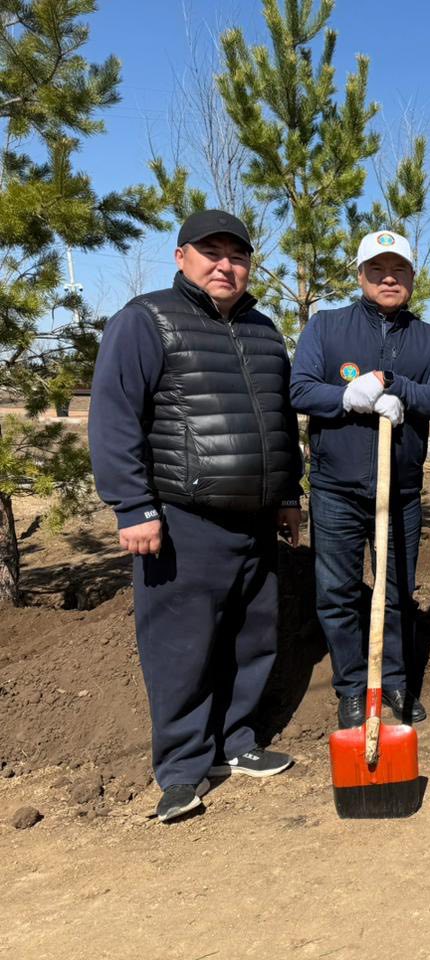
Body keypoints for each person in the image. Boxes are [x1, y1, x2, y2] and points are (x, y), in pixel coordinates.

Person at [88, 210, 303, 823]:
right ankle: (182, 769)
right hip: (183, 520)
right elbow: (115, 416)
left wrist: (288, 495)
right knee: (181, 648)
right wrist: (133, 505)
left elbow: (280, 425)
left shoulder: (263, 331)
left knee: (251, 639)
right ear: (181, 257)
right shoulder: (146, 319)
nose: (225, 265)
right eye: (211, 252)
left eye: (237, 255)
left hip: (256, 519)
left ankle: (237, 744)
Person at [290, 230, 430, 729]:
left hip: (400, 491)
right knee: (337, 591)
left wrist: (396, 386)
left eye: (399, 270)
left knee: (396, 591)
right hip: (336, 488)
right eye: (378, 270)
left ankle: (397, 682)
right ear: (360, 275)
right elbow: (299, 390)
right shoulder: (327, 328)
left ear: (411, 276)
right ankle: (352, 686)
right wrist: (345, 398)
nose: (389, 278)